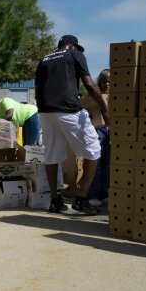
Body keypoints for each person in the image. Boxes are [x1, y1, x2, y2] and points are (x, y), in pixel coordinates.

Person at [35, 35, 109, 214]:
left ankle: (55, 201)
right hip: (68, 110)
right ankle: (82, 199)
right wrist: (104, 108)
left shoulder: (44, 60)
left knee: (52, 155)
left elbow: (38, 90)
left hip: (46, 112)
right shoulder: (74, 55)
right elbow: (89, 83)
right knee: (94, 150)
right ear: (72, 45)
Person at [82, 69, 110, 206]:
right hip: (98, 131)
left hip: (111, 133)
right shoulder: (94, 96)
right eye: (105, 81)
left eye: (110, 81)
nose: (107, 84)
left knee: (107, 165)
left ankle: (104, 194)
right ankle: (92, 195)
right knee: (96, 165)